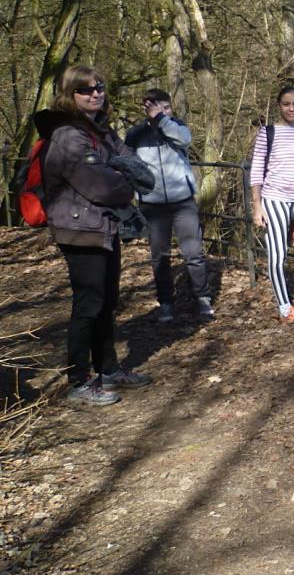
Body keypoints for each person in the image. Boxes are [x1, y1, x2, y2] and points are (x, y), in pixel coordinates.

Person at [40, 65, 154, 405]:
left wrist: (121, 171)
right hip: (79, 230)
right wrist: (123, 176)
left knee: (106, 302)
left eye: (99, 88)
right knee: (88, 304)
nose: (96, 94)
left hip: (103, 226)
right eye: (86, 89)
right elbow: (102, 186)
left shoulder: (100, 131)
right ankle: (78, 380)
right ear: (69, 95)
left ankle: (108, 369)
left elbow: (135, 164)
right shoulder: (68, 136)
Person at [125, 88, 213, 322]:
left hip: (183, 201)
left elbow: (184, 139)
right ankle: (165, 302)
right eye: (155, 108)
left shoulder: (177, 127)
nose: (161, 112)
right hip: (152, 204)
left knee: (194, 252)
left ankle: (203, 298)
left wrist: (162, 119)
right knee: (159, 255)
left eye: (166, 108)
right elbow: (127, 155)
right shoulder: (137, 134)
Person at [250, 86, 294, 323]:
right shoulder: (268, 132)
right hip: (274, 198)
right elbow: (256, 170)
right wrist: (257, 205)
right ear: (279, 106)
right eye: (286, 104)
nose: (291, 108)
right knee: (278, 255)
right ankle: (286, 309)